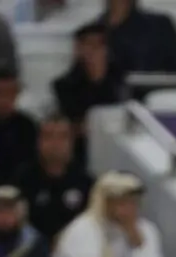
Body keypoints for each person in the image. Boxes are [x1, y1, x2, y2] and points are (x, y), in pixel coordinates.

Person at [52, 171, 164, 257]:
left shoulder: (145, 230)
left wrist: (138, 245)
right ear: (104, 202)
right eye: (120, 202)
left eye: (132, 201)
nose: (127, 208)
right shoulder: (82, 232)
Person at [15, 115, 95, 247]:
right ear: (38, 142)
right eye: (48, 136)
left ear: (72, 142)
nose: (55, 143)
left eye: (63, 137)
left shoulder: (86, 183)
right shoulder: (22, 181)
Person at [53, 23, 126, 167]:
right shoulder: (64, 85)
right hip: (80, 152)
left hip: (116, 147)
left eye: (100, 45)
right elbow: (71, 124)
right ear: (78, 49)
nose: (94, 51)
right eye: (90, 45)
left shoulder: (120, 81)